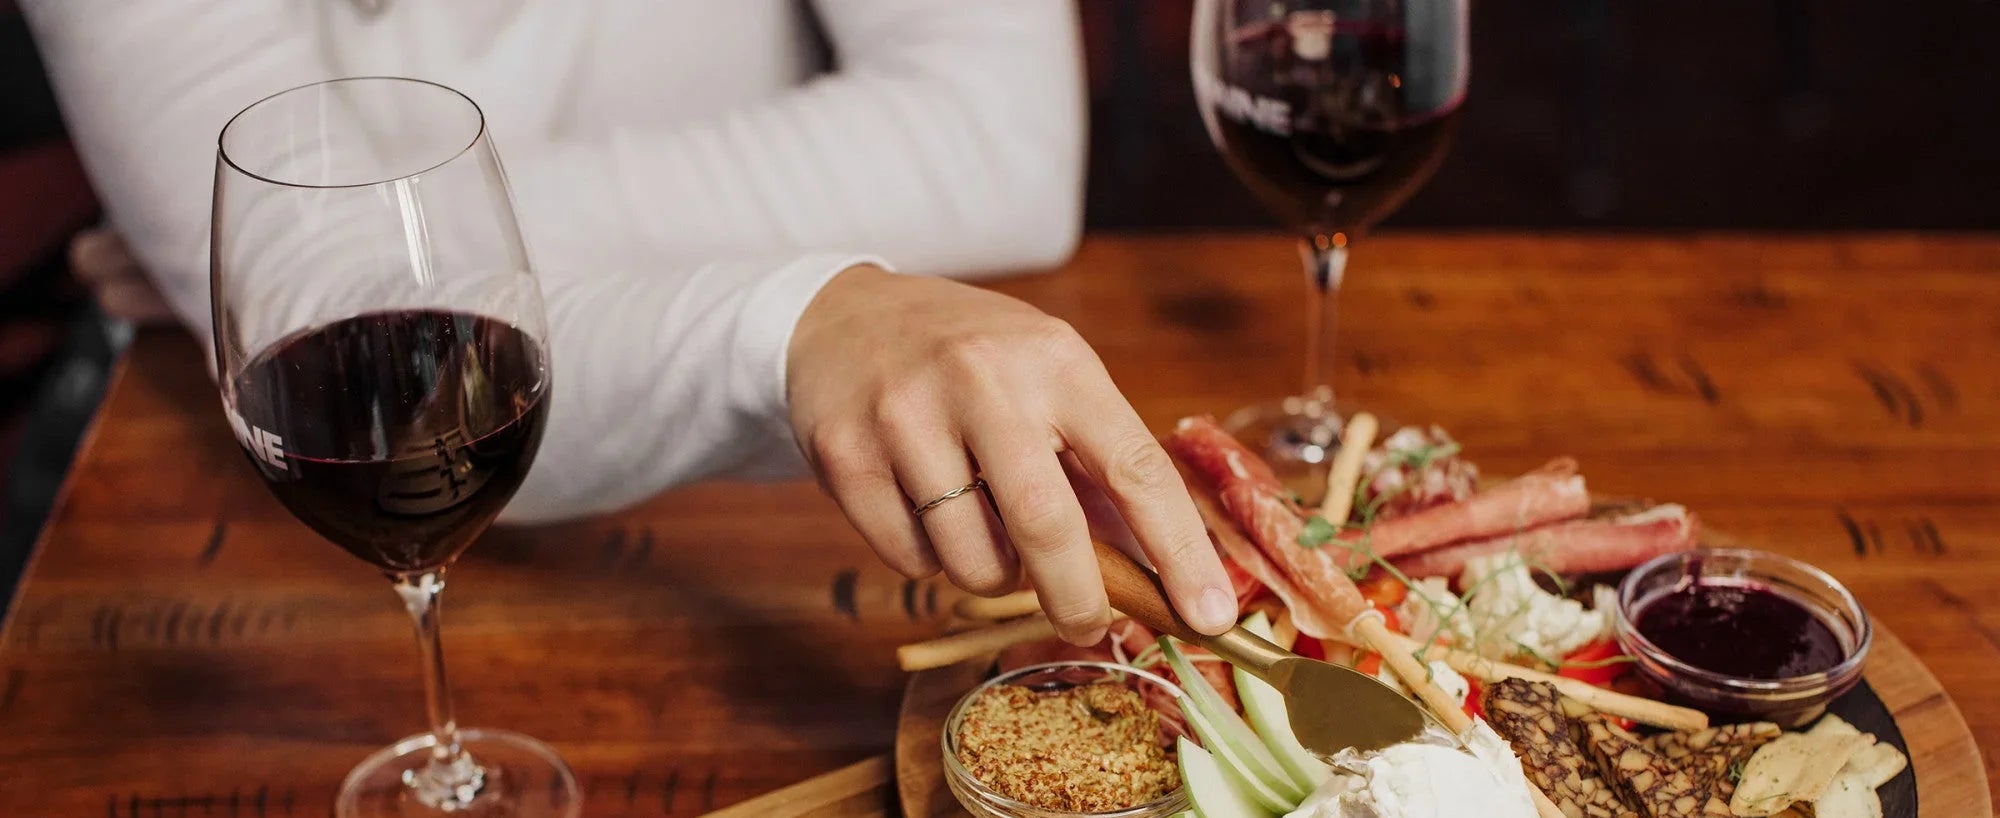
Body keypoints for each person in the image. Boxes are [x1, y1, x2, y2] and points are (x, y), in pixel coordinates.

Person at [22, 0, 1237, 644]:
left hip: (796, 500)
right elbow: (371, 387)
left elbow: (999, 152)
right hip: (286, 570)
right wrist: (792, 316)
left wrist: (384, 238)